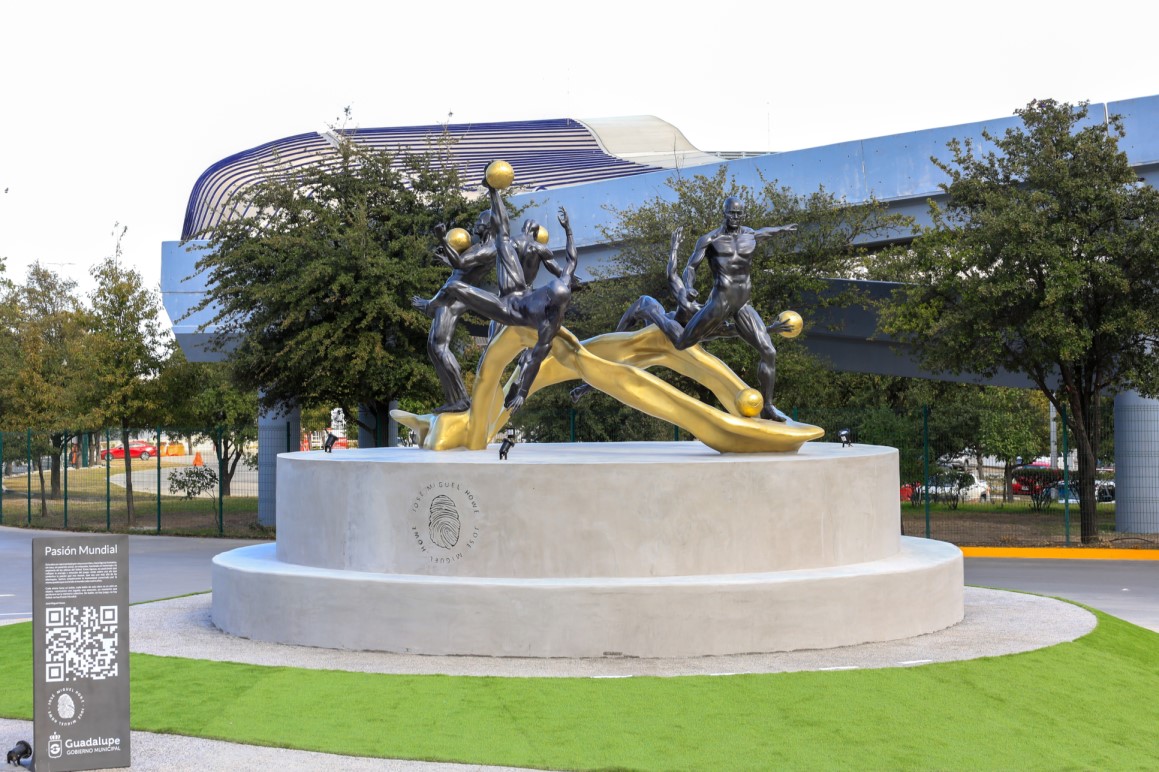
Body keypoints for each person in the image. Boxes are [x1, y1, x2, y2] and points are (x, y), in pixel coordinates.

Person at [617, 197, 796, 421]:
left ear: (743, 215)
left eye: (739, 214)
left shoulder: (750, 235)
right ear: (724, 212)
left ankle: (768, 405)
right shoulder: (711, 239)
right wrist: (688, 288)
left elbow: (766, 232)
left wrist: (783, 229)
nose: (735, 218)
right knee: (682, 343)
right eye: (731, 213)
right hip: (720, 301)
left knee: (769, 352)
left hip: (743, 304)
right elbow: (690, 267)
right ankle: (654, 314)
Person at [415, 203, 581, 413]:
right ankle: (495, 388)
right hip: (517, 300)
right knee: (514, 354)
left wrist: (522, 392)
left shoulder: (512, 243)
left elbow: (495, 242)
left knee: (492, 352)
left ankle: (482, 391)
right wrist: (567, 230)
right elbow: (568, 263)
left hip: (509, 304)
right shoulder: (540, 252)